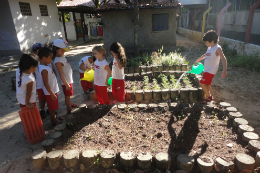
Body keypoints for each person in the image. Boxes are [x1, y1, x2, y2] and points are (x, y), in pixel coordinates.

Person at [193, 30, 227, 103]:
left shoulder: (217, 48)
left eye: (206, 42)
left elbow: (223, 59)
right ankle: (208, 99)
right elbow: (205, 55)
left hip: (211, 70)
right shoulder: (210, 48)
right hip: (206, 69)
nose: (205, 44)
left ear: (211, 41)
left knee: (201, 83)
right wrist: (197, 60)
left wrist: (224, 71)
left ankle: (209, 96)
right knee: (208, 84)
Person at [32, 43, 57, 119]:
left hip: (48, 83)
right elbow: (33, 73)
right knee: (42, 98)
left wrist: (55, 76)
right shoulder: (35, 63)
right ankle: (42, 110)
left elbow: (53, 69)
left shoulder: (48, 61)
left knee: (48, 98)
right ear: (34, 53)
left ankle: (49, 109)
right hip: (40, 84)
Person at [38, 47, 62, 125]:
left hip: (52, 90)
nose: (52, 60)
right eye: (51, 58)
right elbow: (45, 83)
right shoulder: (44, 69)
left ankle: (54, 116)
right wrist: (52, 94)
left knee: (53, 106)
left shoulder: (46, 66)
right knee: (51, 107)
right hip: (50, 92)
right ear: (44, 58)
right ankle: (53, 120)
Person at [53, 39, 77, 114]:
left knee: (69, 95)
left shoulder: (61, 56)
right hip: (66, 81)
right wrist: (66, 84)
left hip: (69, 79)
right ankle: (69, 110)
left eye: (64, 50)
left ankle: (69, 104)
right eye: (62, 50)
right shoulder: (57, 61)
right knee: (67, 95)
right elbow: (61, 74)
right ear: (55, 49)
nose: (64, 52)